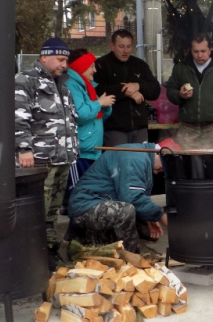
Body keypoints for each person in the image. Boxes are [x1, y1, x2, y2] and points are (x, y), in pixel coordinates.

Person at [15, 37, 79, 260]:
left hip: (62, 158)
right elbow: (18, 117)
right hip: (40, 160)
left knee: (52, 211)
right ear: (44, 57)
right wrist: (24, 148)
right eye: (60, 59)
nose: (64, 64)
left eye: (66, 60)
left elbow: (69, 119)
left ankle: (49, 250)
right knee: (36, 211)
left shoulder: (62, 85)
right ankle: (32, 256)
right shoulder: (26, 80)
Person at [66, 142, 168, 253]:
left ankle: (94, 240)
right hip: (86, 206)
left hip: (102, 201)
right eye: (164, 165)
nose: (162, 170)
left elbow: (137, 195)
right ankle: (131, 256)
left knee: (146, 231)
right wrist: (160, 215)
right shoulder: (134, 158)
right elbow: (132, 198)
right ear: (159, 153)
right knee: (126, 210)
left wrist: (148, 218)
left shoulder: (142, 156)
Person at [166, 33, 213, 149]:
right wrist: (179, 95)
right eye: (196, 51)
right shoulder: (181, 68)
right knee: (188, 165)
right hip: (188, 128)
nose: (199, 55)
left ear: (210, 50)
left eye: (203, 51)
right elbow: (170, 91)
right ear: (191, 50)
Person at [94, 29, 161, 146]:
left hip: (139, 127)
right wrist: (126, 92)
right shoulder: (101, 65)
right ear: (112, 46)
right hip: (114, 128)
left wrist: (138, 86)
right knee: (119, 162)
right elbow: (97, 90)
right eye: (121, 46)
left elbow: (155, 90)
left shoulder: (140, 65)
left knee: (141, 162)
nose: (125, 51)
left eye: (129, 47)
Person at [63, 49, 115, 195]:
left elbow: (95, 116)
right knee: (80, 193)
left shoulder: (87, 86)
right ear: (81, 66)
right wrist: (99, 103)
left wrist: (105, 107)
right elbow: (79, 114)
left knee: (89, 193)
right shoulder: (72, 85)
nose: (95, 70)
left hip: (91, 150)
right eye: (92, 66)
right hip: (82, 152)